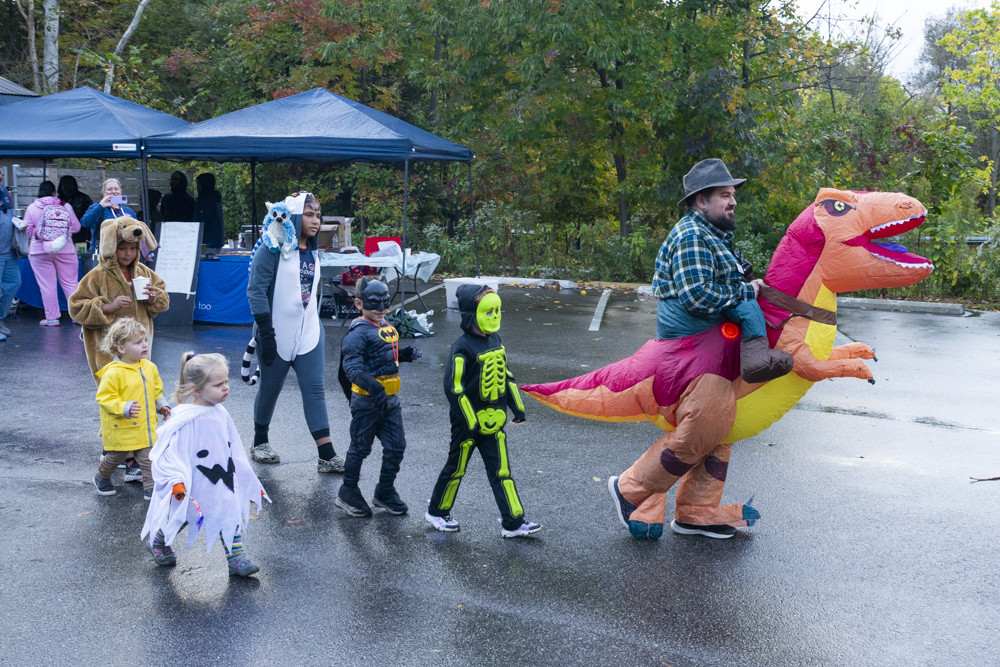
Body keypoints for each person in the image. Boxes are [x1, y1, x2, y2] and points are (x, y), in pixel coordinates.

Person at [653, 158, 792, 384]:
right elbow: (697, 297)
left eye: (733, 195)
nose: (733, 202)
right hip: (692, 344)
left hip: (702, 335)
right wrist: (747, 291)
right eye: (725, 196)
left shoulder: (712, 233)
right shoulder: (693, 236)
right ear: (701, 201)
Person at [425, 285, 542, 538]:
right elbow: (453, 388)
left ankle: (512, 522)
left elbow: (507, 376)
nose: (494, 315)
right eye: (489, 311)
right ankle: (437, 512)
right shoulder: (461, 347)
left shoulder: (495, 340)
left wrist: (517, 407)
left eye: (497, 310)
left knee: (502, 472)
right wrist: (470, 420)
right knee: (455, 468)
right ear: (472, 313)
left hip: (494, 421)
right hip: (467, 423)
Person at [141, 352, 269, 577]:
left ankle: (236, 558)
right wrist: (175, 482)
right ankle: (158, 541)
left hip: (221, 478)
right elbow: (167, 454)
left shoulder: (221, 412)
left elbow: (233, 447)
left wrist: (246, 478)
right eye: (218, 384)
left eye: (226, 382)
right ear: (196, 390)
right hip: (191, 481)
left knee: (228, 510)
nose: (226, 387)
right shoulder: (184, 418)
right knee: (181, 515)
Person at [246, 191, 344, 471]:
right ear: (296, 216)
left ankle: (326, 454)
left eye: (319, 215)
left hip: (309, 331)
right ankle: (259, 441)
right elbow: (255, 291)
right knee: (270, 388)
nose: (316, 221)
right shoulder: (271, 247)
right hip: (275, 331)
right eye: (310, 214)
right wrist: (265, 330)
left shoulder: (313, 249)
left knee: (315, 390)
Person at [335, 278, 422, 517]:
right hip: (367, 402)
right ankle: (348, 491)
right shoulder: (357, 334)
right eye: (374, 303)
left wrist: (404, 354)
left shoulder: (384, 327)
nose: (381, 307)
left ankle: (384, 490)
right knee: (360, 448)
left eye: (385, 301)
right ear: (359, 303)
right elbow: (352, 370)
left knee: (396, 447)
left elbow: (384, 358)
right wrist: (375, 389)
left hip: (390, 400)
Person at [68, 216, 168, 383]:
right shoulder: (97, 276)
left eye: (133, 248)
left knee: (139, 385)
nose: (128, 253)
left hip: (139, 347)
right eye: (122, 248)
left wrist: (154, 299)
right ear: (111, 246)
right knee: (114, 389)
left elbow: (163, 296)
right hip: (108, 348)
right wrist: (107, 308)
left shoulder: (144, 272)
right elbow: (76, 307)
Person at [92, 318, 171, 501]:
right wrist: (124, 407)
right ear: (121, 348)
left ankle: (150, 487)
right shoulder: (113, 372)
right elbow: (105, 398)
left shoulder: (149, 367)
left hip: (145, 427)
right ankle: (102, 477)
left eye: (145, 340)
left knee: (148, 458)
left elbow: (156, 390)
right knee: (115, 457)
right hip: (123, 428)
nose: (144, 345)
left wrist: (162, 405)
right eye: (137, 342)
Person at [23, 180, 81, 326]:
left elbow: (29, 231)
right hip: (65, 249)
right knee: (70, 283)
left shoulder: (32, 208)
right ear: (55, 192)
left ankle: (52, 318)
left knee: (47, 285)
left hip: (40, 251)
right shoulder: (65, 206)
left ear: (39, 192)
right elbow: (76, 228)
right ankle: (78, 316)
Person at [80, 178, 136, 253]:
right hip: (104, 253)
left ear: (120, 191)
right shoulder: (97, 207)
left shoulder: (128, 211)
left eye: (116, 189)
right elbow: (85, 223)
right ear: (104, 192)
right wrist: (101, 207)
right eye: (109, 189)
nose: (113, 191)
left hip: (126, 253)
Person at [0, 170, 22, 342]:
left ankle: (0, 320)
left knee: (14, 283)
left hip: (9, 252)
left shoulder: (5, 195)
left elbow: (11, 216)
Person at [57, 176, 94, 246]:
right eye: (65, 186)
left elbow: (90, 218)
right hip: (61, 236)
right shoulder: (57, 200)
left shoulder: (84, 198)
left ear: (74, 186)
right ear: (61, 187)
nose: (68, 188)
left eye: (70, 185)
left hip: (81, 235)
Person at [194, 173, 224, 251]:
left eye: (198, 184)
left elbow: (200, 221)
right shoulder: (216, 197)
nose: (197, 187)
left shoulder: (206, 200)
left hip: (207, 243)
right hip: (216, 241)